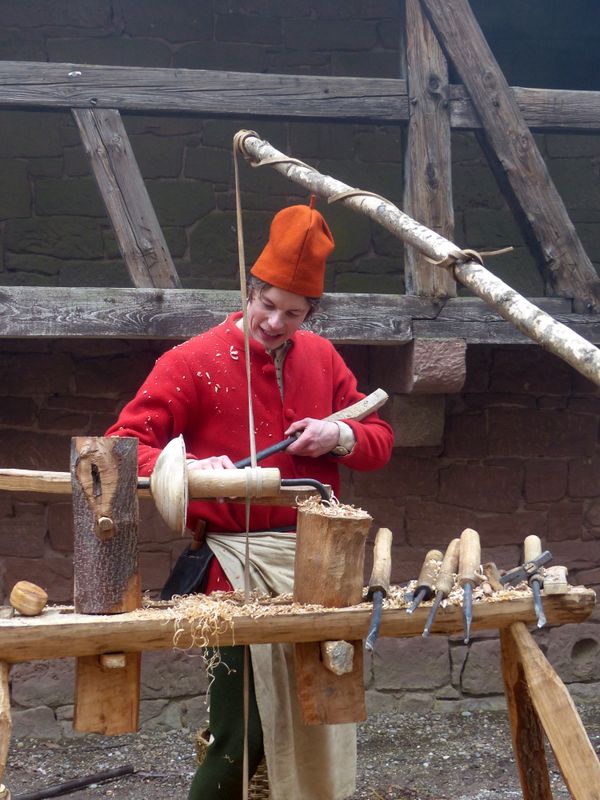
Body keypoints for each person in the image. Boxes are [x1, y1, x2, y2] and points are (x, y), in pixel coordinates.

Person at [106, 197, 394, 800]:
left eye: (293, 312)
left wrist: (337, 434)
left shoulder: (324, 359)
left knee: (322, 711)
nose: (275, 322)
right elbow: (121, 449)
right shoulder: (192, 361)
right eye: (267, 304)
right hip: (232, 570)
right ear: (249, 290)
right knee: (242, 732)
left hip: (318, 569)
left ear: (310, 312)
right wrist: (188, 467)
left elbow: (378, 442)